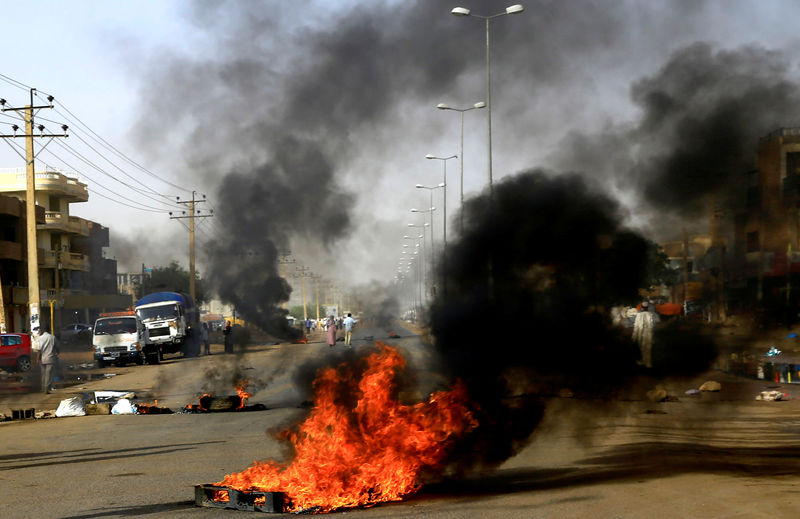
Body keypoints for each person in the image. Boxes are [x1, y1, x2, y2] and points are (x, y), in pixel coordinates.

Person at [632, 302, 658, 368]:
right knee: (648, 348)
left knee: (643, 348)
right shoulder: (651, 315)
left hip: (641, 334)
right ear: (647, 307)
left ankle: (645, 362)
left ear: (642, 307)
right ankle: (647, 362)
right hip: (648, 334)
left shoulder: (639, 315)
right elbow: (652, 326)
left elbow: (636, 327)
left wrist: (634, 336)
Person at [34, 326, 58, 394]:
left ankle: (43, 388)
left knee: (43, 374)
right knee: (49, 374)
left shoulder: (40, 338)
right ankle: (46, 388)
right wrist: (57, 352)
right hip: (50, 358)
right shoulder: (52, 337)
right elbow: (56, 347)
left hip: (42, 358)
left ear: (42, 331)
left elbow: (39, 350)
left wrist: (37, 359)